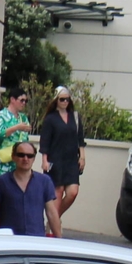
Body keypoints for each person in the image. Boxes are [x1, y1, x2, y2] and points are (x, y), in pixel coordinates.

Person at [0, 140, 60, 237]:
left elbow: (51, 213)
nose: (25, 158)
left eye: (29, 156)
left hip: (36, 240)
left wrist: (59, 239)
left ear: (34, 158)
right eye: (21, 155)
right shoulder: (1, 182)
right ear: (13, 157)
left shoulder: (45, 181)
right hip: (9, 240)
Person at [39, 87, 85, 216]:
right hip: (56, 159)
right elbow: (45, 141)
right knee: (57, 192)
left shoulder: (74, 117)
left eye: (67, 99)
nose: (65, 102)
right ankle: (54, 225)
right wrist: (44, 160)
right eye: (62, 99)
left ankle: (55, 217)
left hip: (71, 160)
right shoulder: (50, 119)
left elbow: (80, 139)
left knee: (72, 192)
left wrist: (82, 157)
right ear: (56, 100)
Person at [0, 87, 32, 178]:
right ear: (12, 99)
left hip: (19, 163)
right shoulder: (1, 115)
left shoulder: (23, 118)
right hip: (4, 163)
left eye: (26, 101)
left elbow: (26, 139)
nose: (24, 103)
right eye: (21, 100)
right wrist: (17, 127)